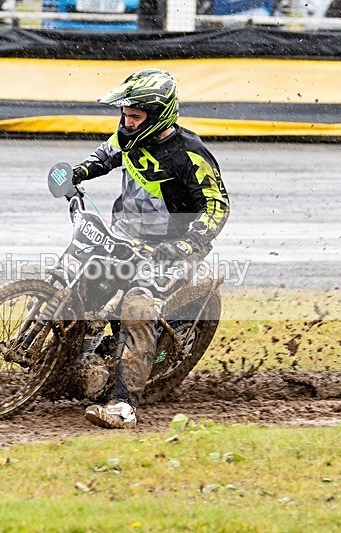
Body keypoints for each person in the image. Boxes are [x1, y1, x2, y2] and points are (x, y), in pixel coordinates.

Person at [71, 68, 230, 429]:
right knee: (84, 286)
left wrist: (189, 241)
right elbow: (103, 157)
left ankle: (123, 405)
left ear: (158, 116)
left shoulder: (190, 154)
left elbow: (217, 205)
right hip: (124, 237)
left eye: (135, 116)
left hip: (171, 248)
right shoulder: (126, 136)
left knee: (137, 307)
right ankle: (73, 360)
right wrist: (74, 174)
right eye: (125, 115)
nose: (127, 122)